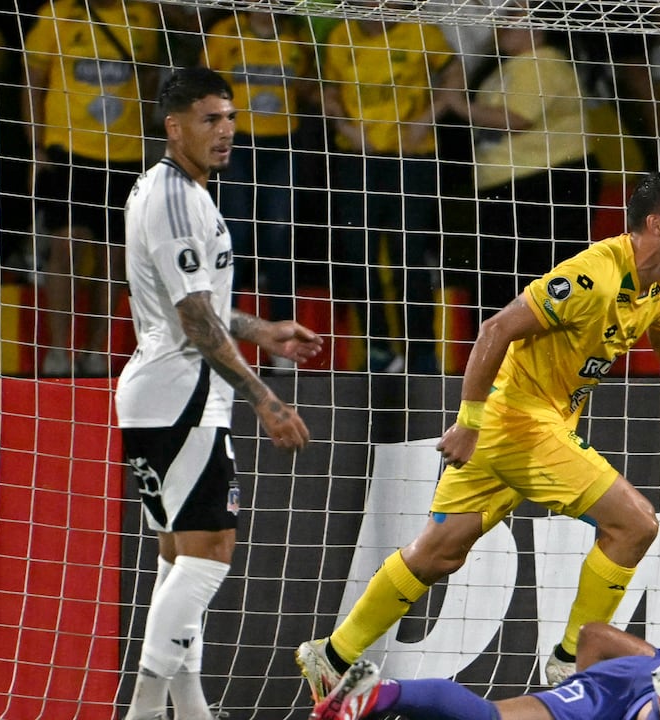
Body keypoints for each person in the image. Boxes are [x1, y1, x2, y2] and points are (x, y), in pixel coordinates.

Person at [297, 172, 660, 700]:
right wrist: (468, 421)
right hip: (519, 422)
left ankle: (332, 655)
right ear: (655, 224)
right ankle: (573, 661)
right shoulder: (592, 276)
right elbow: (496, 328)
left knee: (439, 553)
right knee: (635, 525)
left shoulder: (659, 288)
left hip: (528, 425)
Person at [116, 66, 322, 720]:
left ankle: (192, 711)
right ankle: (144, 713)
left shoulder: (169, 190)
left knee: (179, 558)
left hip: (158, 391)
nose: (226, 130)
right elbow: (197, 323)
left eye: (230, 117)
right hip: (184, 395)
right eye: (211, 119)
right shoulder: (178, 199)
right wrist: (267, 398)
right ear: (174, 127)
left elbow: (200, 307)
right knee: (210, 557)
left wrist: (264, 330)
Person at [310, 615, 660, 720]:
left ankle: (377, 695)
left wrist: (571, 680)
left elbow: (595, 634)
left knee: (489, 717)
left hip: (615, 683)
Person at [22, 0, 162, 376]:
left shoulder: (144, 18)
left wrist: (144, 131)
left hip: (124, 154)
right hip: (67, 150)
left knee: (113, 258)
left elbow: (148, 75)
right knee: (66, 248)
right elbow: (33, 78)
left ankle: (95, 350)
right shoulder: (56, 14)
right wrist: (36, 144)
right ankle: (57, 351)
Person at [320, 15, 465, 374]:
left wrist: (429, 116)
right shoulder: (341, 35)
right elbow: (327, 90)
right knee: (359, 255)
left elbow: (454, 71)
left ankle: (421, 354)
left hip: (411, 158)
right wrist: (341, 123)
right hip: (358, 157)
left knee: (409, 256)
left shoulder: (421, 32)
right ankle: (378, 349)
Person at [443, 22, 600, 318]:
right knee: (511, 279)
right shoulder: (514, 64)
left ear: (537, 29)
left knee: (537, 276)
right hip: (515, 180)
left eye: (512, 20)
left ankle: (548, 353)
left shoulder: (540, 61)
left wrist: (458, 105)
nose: (501, 27)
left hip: (542, 179)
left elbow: (516, 118)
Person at [204, 8, 317, 370]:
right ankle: (224, 342)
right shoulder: (225, 34)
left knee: (279, 239)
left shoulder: (296, 37)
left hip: (282, 145)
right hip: (237, 146)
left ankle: (283, 343)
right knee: (232, 236)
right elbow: (203, 87)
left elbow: (313, 86)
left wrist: (299, 83)